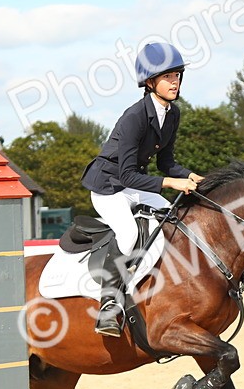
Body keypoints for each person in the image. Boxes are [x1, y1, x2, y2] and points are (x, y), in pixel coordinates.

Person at [81, 42, 203, 336]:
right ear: (150, 83)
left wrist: (193, 176)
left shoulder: (172, 114)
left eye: (177, 75)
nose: (174, 82)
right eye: (167, 77)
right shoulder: (134, 116)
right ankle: (108, 304)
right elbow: (125, 175)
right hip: (109, 186)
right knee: (129, 232)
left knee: (174, 220)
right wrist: (173, 183)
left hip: (134, 183)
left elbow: (167, 163)